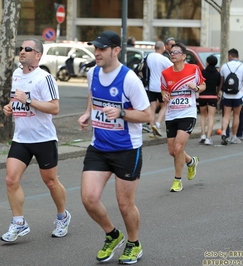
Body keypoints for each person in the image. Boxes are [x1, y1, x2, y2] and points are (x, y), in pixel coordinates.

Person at [78, 30, 150, 264]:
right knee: (88, 198)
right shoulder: (92, 73)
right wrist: (88, 113)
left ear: (116, 50)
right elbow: (93, 94)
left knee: (124, 204)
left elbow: (147, 115)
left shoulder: (129, 79)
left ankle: (133, 243)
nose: (96, 52)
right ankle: (112, 234)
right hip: (99, 146)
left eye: (101, 49)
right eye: (95, 48)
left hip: (127, 149)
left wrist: (121, 112)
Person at [0, 38, 71, 242]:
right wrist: (10, 107)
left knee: (50, 181)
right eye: (21, 49)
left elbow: (54, 108)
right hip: (21, 138)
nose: (22, 51)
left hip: (44, 139)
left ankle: (62, 216)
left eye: (27, 49)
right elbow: (16, 100)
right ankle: (19, 223)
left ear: (38, 55)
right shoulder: (16, 74)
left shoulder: (45, 78)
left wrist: (29, 100)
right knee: (10, 179)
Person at [160, 42, 206, 192]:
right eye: (171, 52)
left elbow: (203, 84)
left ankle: (177, 180)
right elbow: (163, 90)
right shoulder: (165, 73)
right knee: (172, 151)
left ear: (184, 56)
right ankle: (191, 161)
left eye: (176, 52)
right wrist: (164, 95)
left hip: (188, 113)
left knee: (178, 147)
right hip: (171, 114)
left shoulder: (194, 69)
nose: (172, 54)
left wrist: (197, 88)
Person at [219, 48, 243, 145]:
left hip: (227, 95)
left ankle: (224, 132)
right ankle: (234, 137)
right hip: (238, 95)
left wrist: (219, 92)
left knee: (226, 115)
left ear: (230, 56)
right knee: (236, 115)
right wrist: (242, 82)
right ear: (237, 56)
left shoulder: (224, 66)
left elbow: (222, 82)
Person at [145, 41, 173, 138]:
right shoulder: (163, 59)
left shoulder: (149, 57)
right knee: (165, 106)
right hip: (161, 87)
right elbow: (172, 68)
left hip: (150, 86)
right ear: (163, 48)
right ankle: (158, 123)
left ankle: (152, 128)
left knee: (152, 108)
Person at [198, 55, 221, 145]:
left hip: (202, 96)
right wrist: (217, 93)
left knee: (203, 116)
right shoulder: (217, 73)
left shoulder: (203, 72)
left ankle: (202, 135)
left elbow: (199, 83)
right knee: (211, 117)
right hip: (212, 97)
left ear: (207, 62)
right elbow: (218, 85)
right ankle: (208, 138)